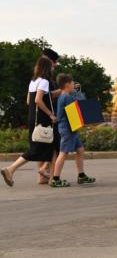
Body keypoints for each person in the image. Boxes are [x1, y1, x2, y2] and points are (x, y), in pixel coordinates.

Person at [1, 57, 57, 187]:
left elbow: (28, 101)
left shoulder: (33, 82)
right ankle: (10, 169)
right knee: (40, 149)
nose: (52, 69)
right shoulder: (44, 82)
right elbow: (38, 100)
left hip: (33, 118)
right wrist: (50, 114)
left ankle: (52, 178)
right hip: (43, 120)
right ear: (47, 68)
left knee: (49, 149)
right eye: (51, 67)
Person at [50, 73, 95, 187]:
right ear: (67, 84)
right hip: (68, 129)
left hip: (68, 129)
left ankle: (81, 175)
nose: (73, 85)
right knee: (63, 153)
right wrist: (85, 124)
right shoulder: (68, 97)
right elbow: (74, 114)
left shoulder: (62, 96)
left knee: (80, 150)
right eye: (72, 83)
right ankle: (55, 179)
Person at [37, 48, 61, 184]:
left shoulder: (36, 78)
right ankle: (52, 177)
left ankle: (42, 175)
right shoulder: (45, 80)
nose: (55, 64)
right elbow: (48, 97)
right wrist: (64, 90)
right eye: (54, 61)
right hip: (49, 116)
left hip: (39, 116)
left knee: (43, 145)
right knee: (55, 147)